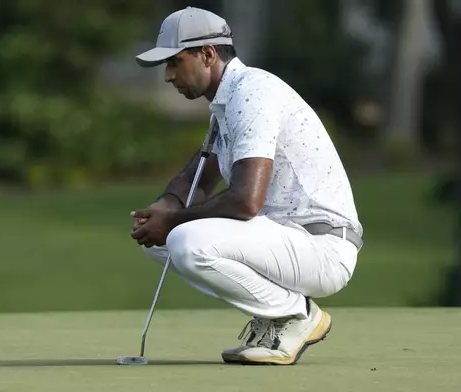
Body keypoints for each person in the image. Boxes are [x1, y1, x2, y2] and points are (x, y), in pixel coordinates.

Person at [130, 6, 364, 366]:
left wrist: (174, 221)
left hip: (322, 246)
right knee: (158, 242)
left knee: (184, 240)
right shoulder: (228, 101)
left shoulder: (253, 95)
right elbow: (197, 177)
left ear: (207, 54)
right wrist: (165, 206)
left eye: (175, 62)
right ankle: (278, 319)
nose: (167, 76)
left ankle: (296, 317)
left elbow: (245, 201)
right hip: (285, 241)